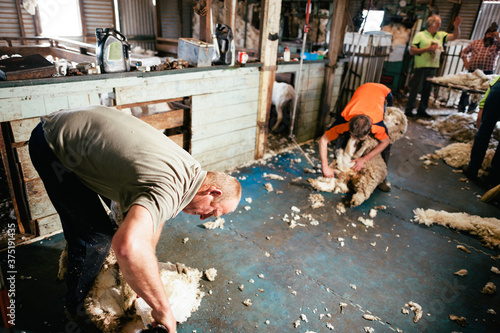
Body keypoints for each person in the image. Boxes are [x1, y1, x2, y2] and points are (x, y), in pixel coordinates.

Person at [28, 106, 242, 332]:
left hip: (80, 133)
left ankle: (110, 273)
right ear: (213, 192)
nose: (203, 216)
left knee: (126, 224)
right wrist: (162, 308)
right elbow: (128, 247)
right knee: (96, 238)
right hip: (54, 145)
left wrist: (143, 270)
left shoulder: (190, 171)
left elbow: (155, 220)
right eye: (211, 211)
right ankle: (79, 310)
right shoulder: (168, 188)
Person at [318, 82, 393, 191]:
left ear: (369, 131)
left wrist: (365, 159)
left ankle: (382, 178)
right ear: (349, 126)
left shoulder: (377, 125)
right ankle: (339, 166)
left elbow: (385, 142)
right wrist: (325, 166)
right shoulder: (343, 121)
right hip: (363, 88)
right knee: (341, 136)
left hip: (385, 92)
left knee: (388, 144)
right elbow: (323, 141)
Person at [405, 15, 462, 118]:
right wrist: (427, 49)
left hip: (433, 67)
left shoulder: (440, 35)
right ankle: (409, 109)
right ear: (430, 24)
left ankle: (422, 109)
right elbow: (412, 51)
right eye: (437, 23)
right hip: (421, 66)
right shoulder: (420, 35)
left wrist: (457, 27)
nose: (439, 25)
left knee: (427, 90)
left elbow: (455, 37)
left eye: (440, 23)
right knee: (415, 88)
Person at [463, 75, 500, 186]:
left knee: (484, 131)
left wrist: (482, 105)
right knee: (484, 130)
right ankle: (493, 177)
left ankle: (473, 169)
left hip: (497, 91)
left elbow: (494, 83)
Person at [458, 22, 500, 113]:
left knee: (479, 93)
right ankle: (461, 110)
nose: (490, 36)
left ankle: (472, 110)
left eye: (492, 35)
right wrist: (466, 63)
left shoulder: (496, 44)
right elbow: (463, 52)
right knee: (466, 90)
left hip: (487, 73)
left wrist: (498, 37)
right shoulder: (476, 43)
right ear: (485, 34)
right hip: (473, 71)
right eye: (488, 34)